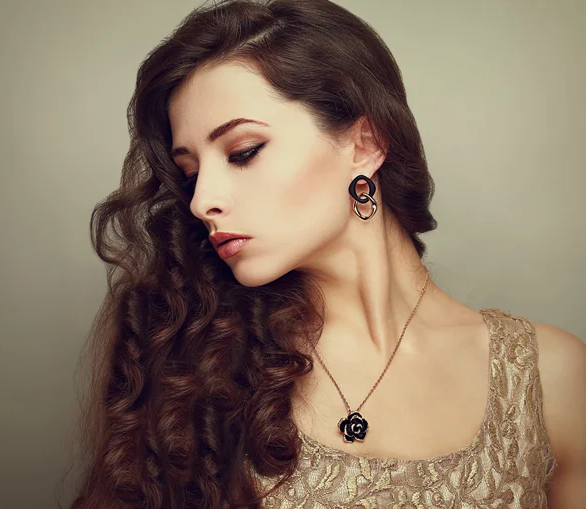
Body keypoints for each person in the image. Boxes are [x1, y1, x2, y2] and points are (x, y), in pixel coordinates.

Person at [66, 0, 586, 507]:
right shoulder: (195, 363)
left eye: (243, 152)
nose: (203, 202)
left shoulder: (550, 378)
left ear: (365, 144)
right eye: (191, 173)